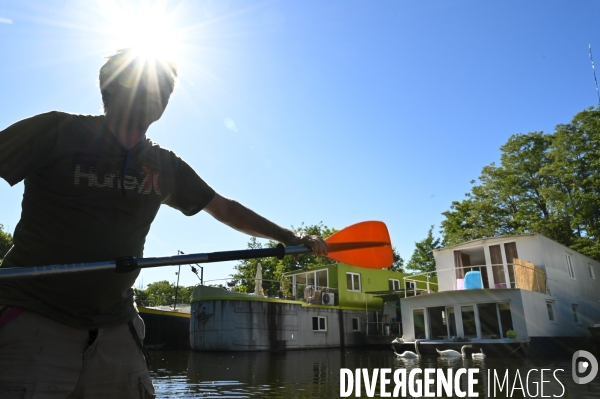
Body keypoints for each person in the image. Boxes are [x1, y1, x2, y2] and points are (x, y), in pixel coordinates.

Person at [0, 48, 327, 399]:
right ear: (112, 86)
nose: (160, 95)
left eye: (166, 88)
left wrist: (289, 236)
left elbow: (225, 209)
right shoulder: (56, 131)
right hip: (33, 320)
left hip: (116, 328)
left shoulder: (164, 165)